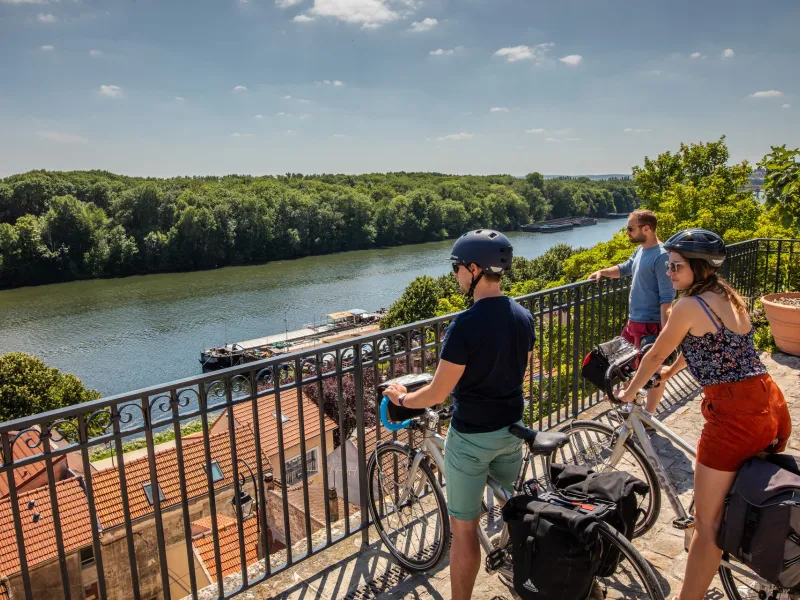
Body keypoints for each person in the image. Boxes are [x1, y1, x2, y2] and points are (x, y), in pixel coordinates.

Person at [616, 228, 792, 600]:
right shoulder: (727, 297)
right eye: (668, 264)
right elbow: (705, 344)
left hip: (733, 416)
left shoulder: (687, 306)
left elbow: (655, 353)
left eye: (676, 266)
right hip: (767, 404)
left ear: (698, 267)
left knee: (706, 526)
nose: (669, 271)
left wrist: (629, 392)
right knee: (722, 497)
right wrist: (671, 373)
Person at [382, 229, 535, 600]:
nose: (455, 274)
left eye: (456, 267)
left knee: (464, 529)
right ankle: (516, 559)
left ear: (474, 268)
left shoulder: (465, 325)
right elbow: (520, 372)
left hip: (472, 438)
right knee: (510, 506)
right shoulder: (522, 316)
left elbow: (437, 392)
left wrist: (402, 399)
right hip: (512, 429)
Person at [588, 209, 675, 421]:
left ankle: (648, 414)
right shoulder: (640, 250)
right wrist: (602, 272)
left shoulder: (662, 256)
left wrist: (666, 334)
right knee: (625, 365)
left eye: (630, 228)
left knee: (654, 371)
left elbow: (667, 298)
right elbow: (625, 268)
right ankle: (631, 407)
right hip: (634, 322)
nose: (627, 232)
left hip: (651, 324)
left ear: (647, 228)